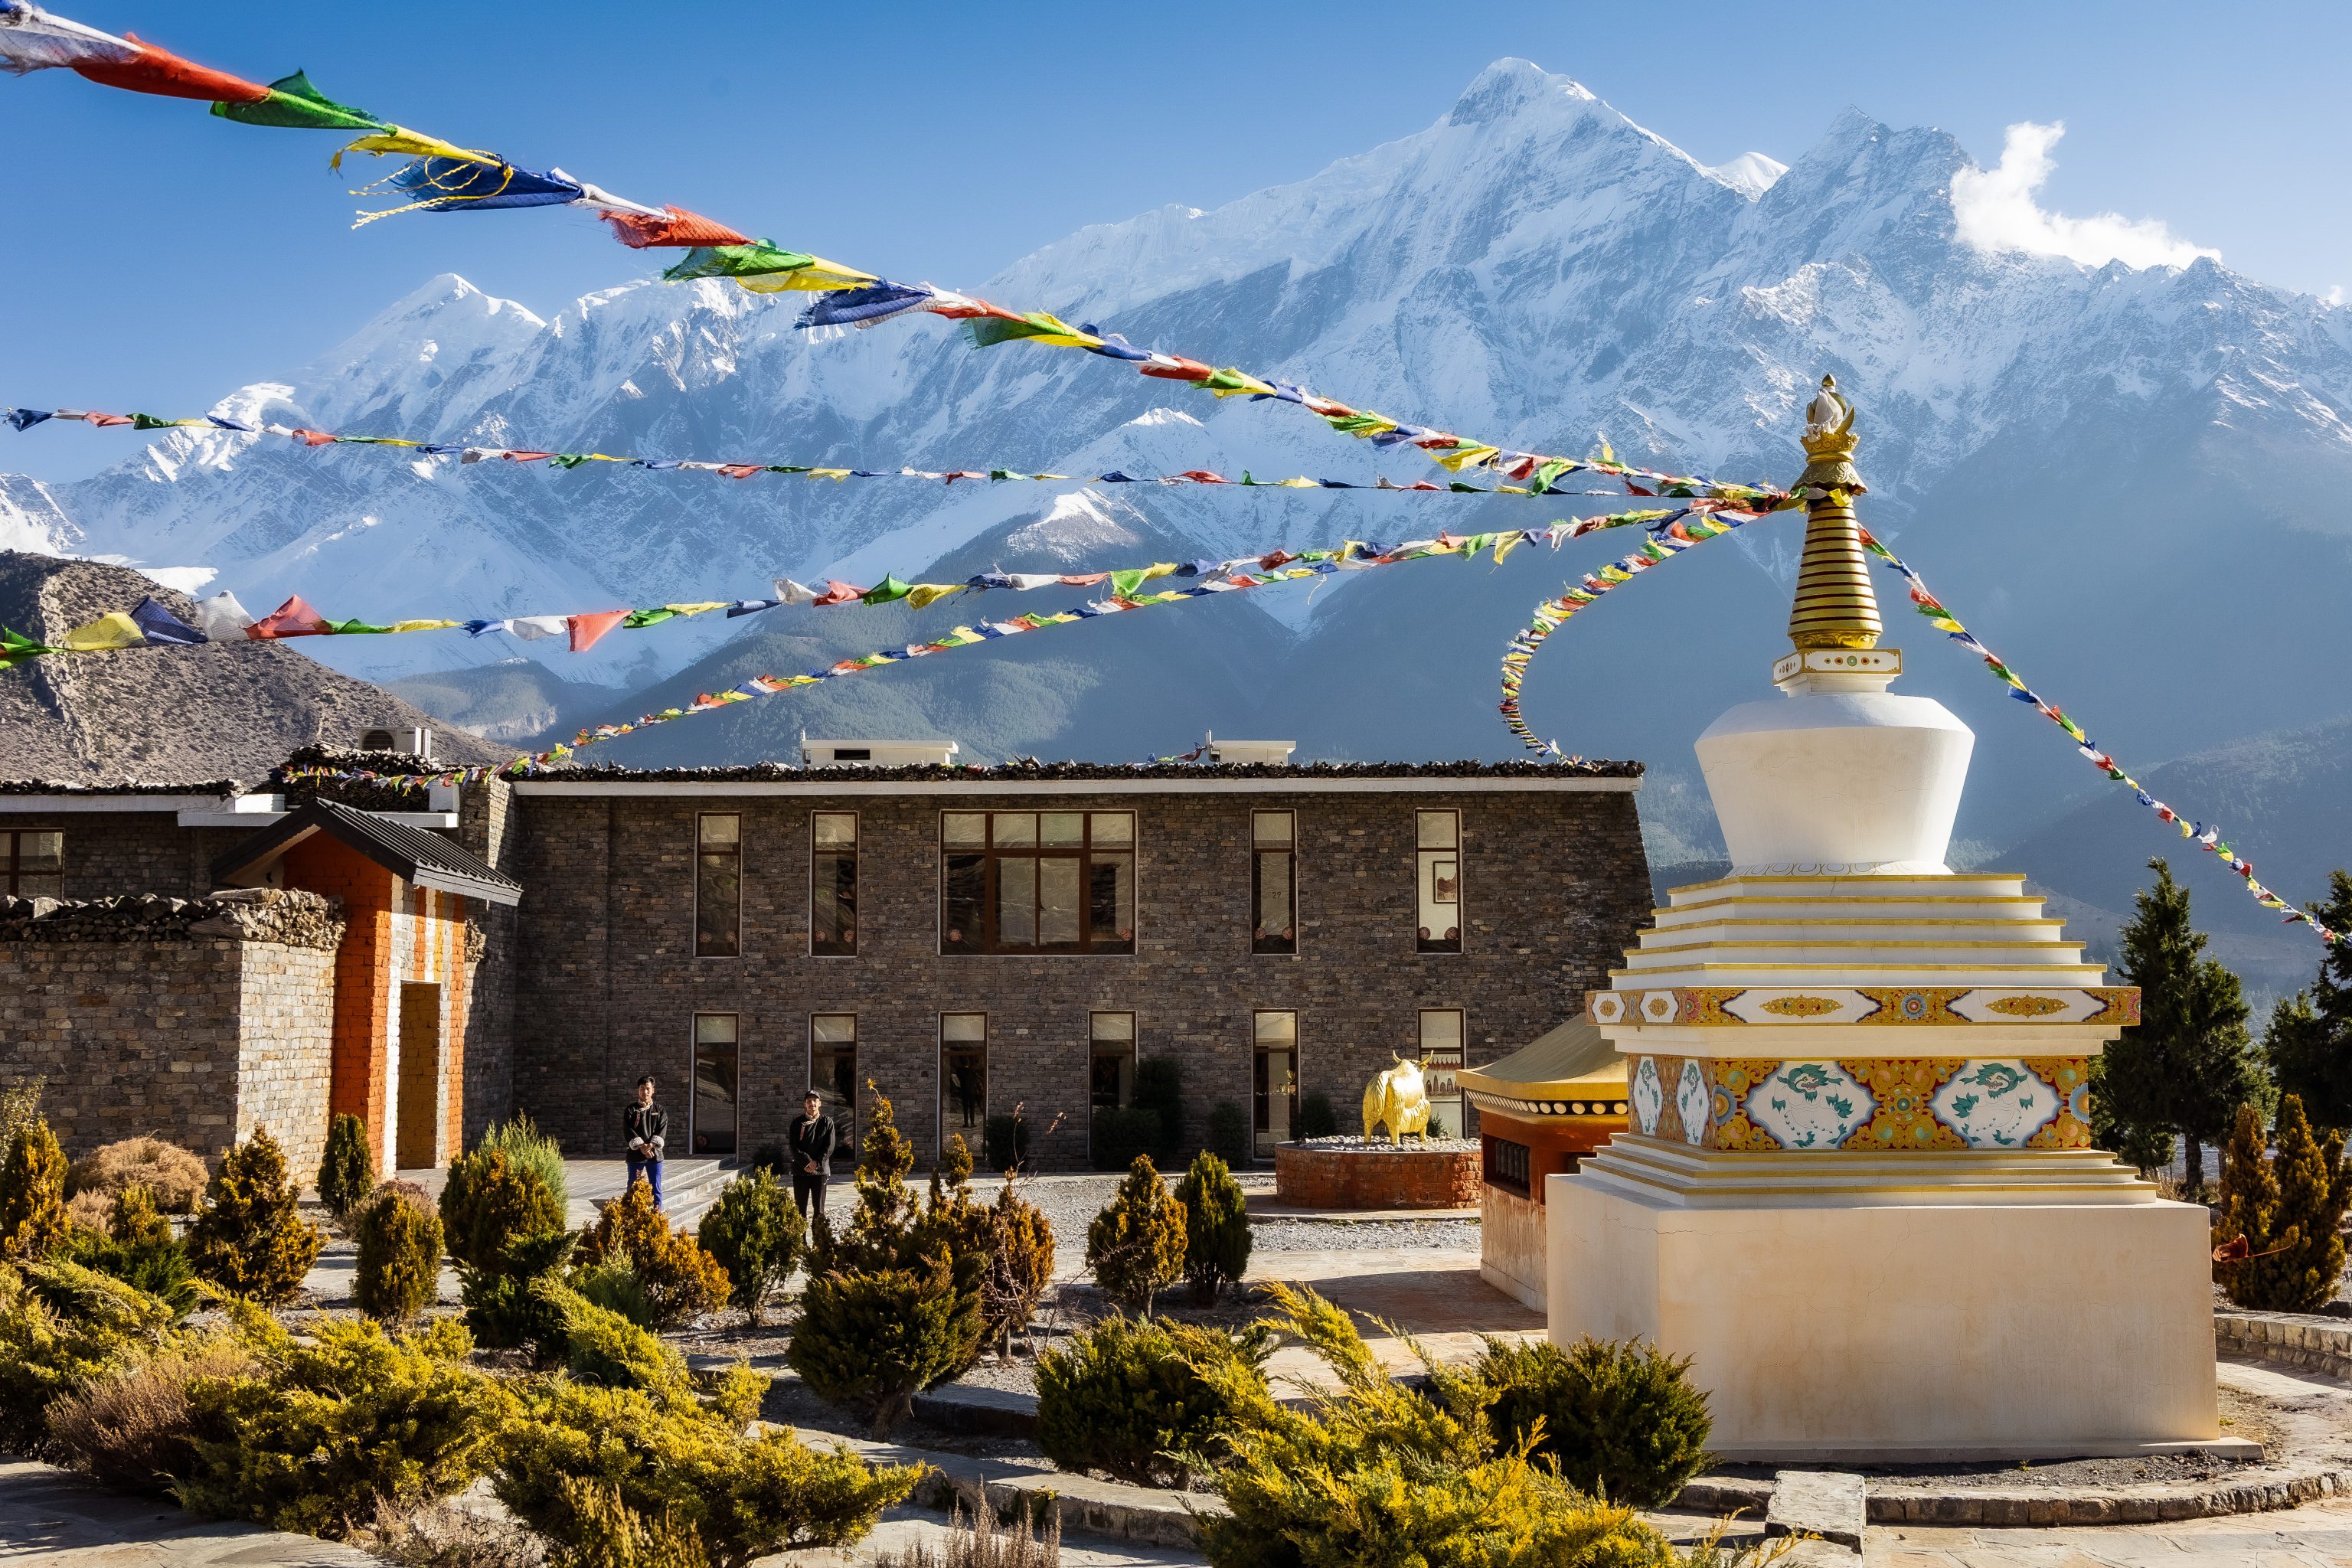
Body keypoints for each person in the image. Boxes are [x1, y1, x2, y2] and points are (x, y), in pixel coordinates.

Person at [786, 1089, 837, 1225]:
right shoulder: (797, 1123)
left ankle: (818, 1243)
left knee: (819, 1211)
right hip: (801, 1171)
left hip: (820, 1173)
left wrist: (816, 1163)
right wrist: (807, 1162)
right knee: (800, 1210)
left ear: (820, 1104)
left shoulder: (827, 1122)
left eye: (815, 1101)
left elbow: (829, 1146)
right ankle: (801, 1244)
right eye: (809, 1101)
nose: (812, 1104)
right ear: (805, 1104)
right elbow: (793, 1146)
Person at [624, 1073, 666, 1210]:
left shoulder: (660, 1110)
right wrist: (642, 1146)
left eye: (648, 1088)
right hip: (636, 1155)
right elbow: (628, 1130)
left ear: (653, 1090)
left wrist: (651, 1145)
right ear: (638, 1090)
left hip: (655, 1155)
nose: (645, 1091)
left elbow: (662, 1129)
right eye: (642, 1088)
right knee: (633, 1187)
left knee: (656, 1189)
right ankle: (631, 1215)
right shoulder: (631, 1110)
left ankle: (657, 1218)